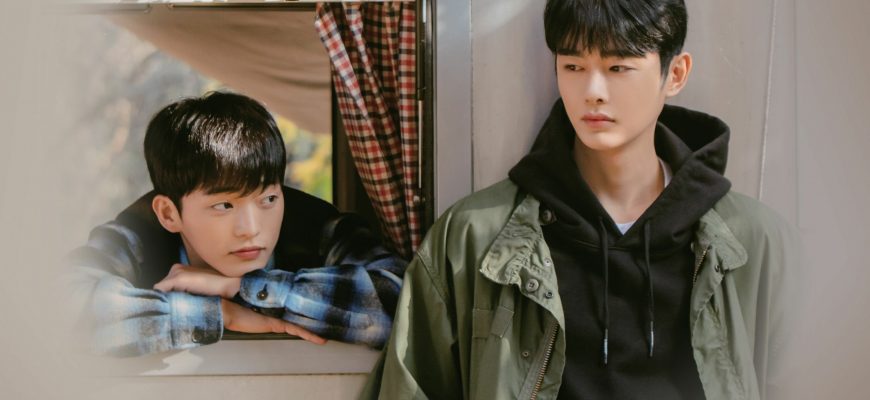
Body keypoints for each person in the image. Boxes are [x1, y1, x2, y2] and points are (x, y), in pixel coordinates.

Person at [361, 0, 797, 399]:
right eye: (573, 66)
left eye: (618, 67)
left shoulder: (755, 242)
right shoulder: (472, 238)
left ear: (676, 74)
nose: (593, 90)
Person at [67, 91, 406, 357]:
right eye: (224, 205)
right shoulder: (139, 232)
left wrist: (241, 288)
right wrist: (219, 314)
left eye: (268, 199)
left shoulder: (316, 225)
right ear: (169, 214)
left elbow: (407, 304)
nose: (251, 228)